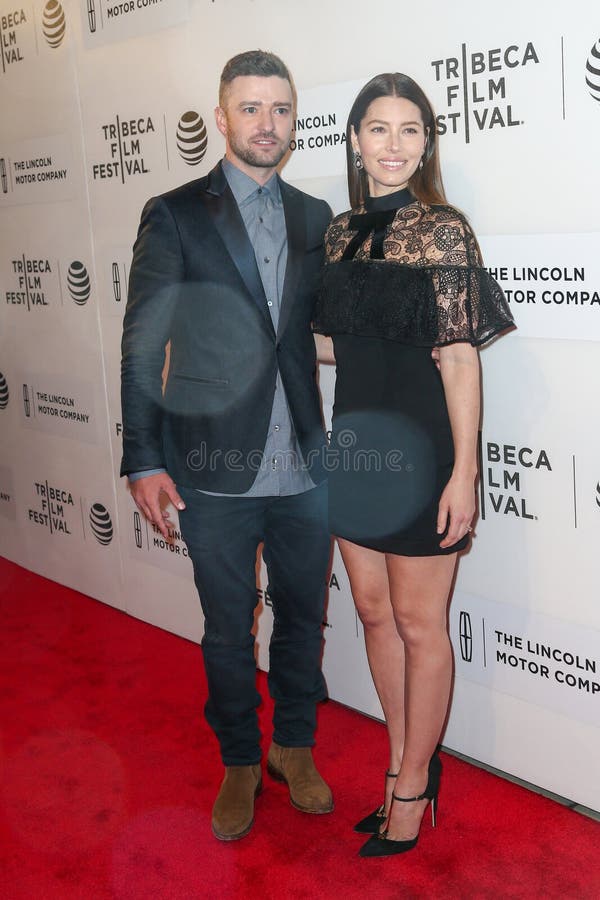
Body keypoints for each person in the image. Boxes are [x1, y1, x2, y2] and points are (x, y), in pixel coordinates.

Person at [120, 50, 333, 842]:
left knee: (306, 617)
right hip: (210, 462)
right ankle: (241, 757)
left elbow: (316, 332)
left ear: (293, 119)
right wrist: (143, 457)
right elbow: (144, 344)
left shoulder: (316, 217)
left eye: (279, 109)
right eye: (250, 108)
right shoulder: (174, 213)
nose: (266, 123)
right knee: (226, 625)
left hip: (305, 463)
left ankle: (294, 747)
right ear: (221, 117)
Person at [313, 73, 513, 858]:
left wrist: (464, 472)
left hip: (423, 452)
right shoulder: (337, 233)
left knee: (421, 625)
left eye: (409, 130)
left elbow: (460, 360)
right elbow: (340, 343)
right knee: (371, 613)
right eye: (377, 128)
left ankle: (411, 788)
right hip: (354, 447)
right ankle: (404, 763)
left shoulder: (443, 231)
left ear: (426, 143)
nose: (393, 145)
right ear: (356, 141)